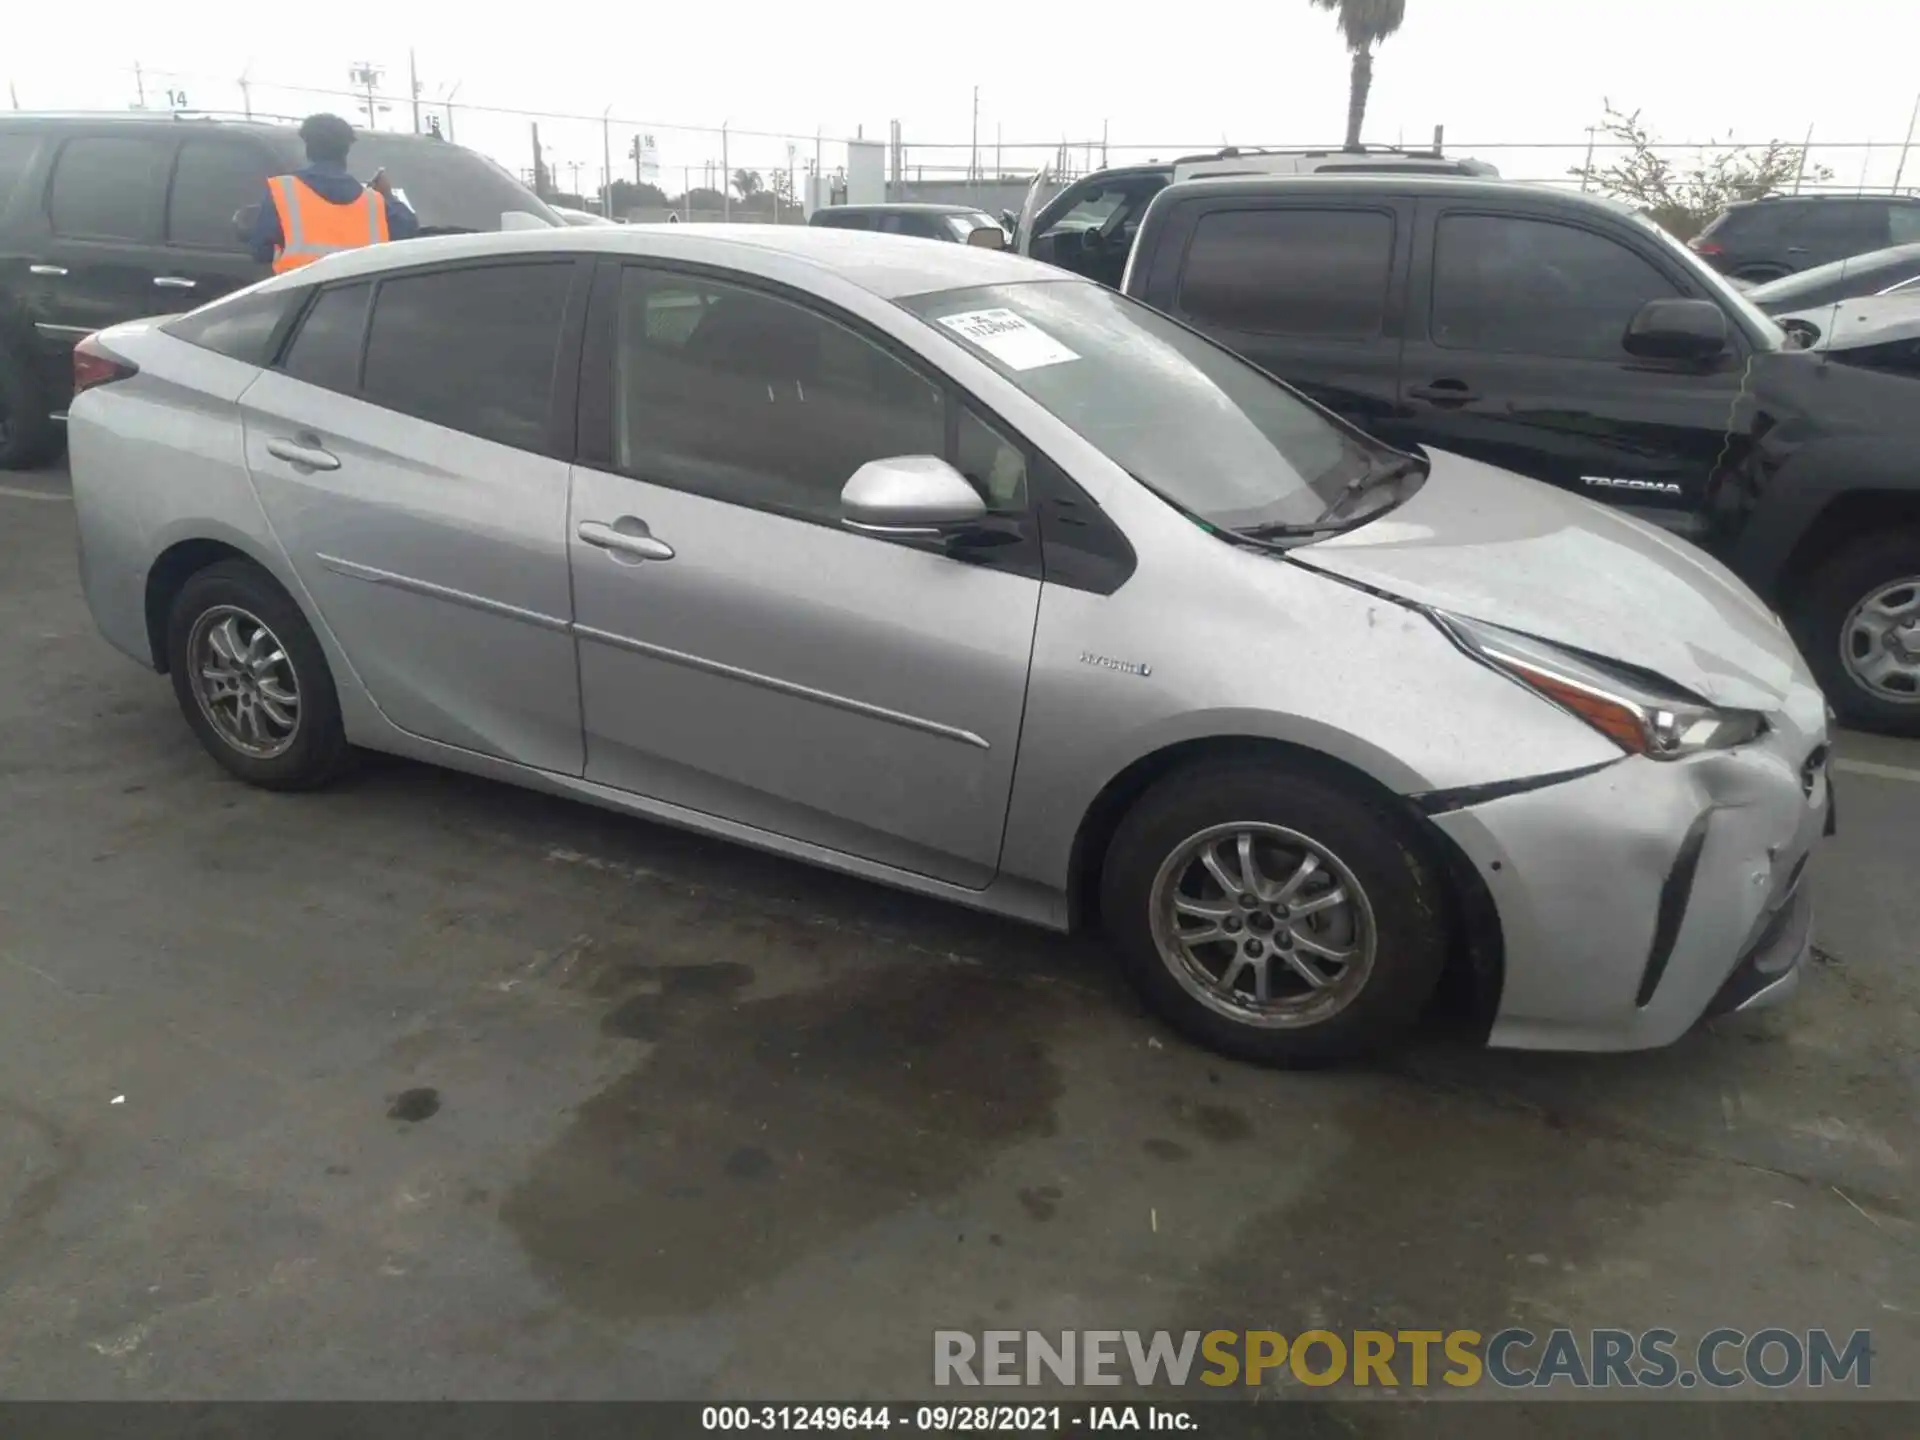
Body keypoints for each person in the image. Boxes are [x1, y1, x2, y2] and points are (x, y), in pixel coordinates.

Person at [249, 113, 419, 273]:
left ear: (308, 149)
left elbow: (260, 251)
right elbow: (409, 229)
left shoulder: (284, 192)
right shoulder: (374, 202)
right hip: (362, 297)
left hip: (301, 298)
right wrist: (388, 195)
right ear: (346, 151)